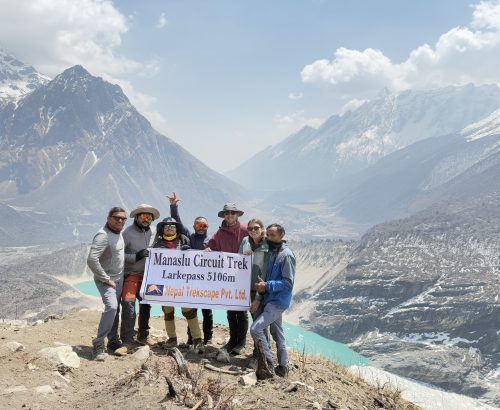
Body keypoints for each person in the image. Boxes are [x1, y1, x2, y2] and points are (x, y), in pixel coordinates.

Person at [250, 223, 295, 378]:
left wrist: (267, 285)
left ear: (281, 236)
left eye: (273, 235)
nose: (269, 238)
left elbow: (288, 283)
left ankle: (268, 364)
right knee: (278, 334)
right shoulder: (272, 252)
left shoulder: (286, 255)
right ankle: (283, 366)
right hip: (271, 299)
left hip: (277, 302)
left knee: (256, 329)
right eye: (267, 235)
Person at [152, 216, 204, 352]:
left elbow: (194, 261)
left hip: (182, 282)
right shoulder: (157, 244)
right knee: (168, 311)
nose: (170, 228)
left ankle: (197, 339)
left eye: (173, 226)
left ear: (177, 228)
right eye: (167, 226)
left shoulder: (184, 240)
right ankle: (172, 338)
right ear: (162, 228)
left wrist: (189, 253)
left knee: (189, 311)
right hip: (165, 282)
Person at [168, 192, 213, 345]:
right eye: (199, 225)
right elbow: (178, 224)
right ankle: (191, 339)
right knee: (191, 311)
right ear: (194, 226)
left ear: (208, 227)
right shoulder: (189, 236)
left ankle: (208, 339)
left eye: (204, 225)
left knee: (207, 312)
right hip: (191, 281)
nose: (201, 227)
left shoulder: (212, 240)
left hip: (206, 282)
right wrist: (173, 206)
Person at [207, 202, 248, 354]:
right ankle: (232, 340)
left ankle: (242, 342)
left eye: (232, 212)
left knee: (242, 310)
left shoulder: (245, 230)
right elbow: (212, 247)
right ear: (224, 216)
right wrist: (209, 250)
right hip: (227, 277)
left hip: (243, 277)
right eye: (227, 213)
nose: (230, 215)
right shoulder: (219, 233)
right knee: (231, 310)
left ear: (237, 215)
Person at [87, 207, 127, 361]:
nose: (120, 220)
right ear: (108, 217)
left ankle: (113, 340)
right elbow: (91, 260)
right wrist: (105, 278)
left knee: (115, 310)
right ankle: (98, 344)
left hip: (119, 279)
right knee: (112, 307)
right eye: (116, 217)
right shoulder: (103, 236)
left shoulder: (118, 233)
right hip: (108, 281)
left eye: (123, 218)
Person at [121, 204, 160, 347]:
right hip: (131, 275)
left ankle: (143, 336)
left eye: (149, 217)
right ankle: (127, 339)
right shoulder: (127, 233)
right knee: (128, 304)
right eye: (143, 216)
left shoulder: (155, 233)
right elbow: (120, 255)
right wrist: (136, 256)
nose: (146, 219)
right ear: (137, 217)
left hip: (149, 277)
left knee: (146, 306)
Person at [239, 218, 270, 368]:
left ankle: (260, 357)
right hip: (247, 288)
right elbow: (238, 261)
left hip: (260, 291)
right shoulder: (245, 241)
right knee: (255, 320)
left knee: (259, 325)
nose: (253, 231)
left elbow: (265, 272)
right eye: (250, 228)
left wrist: (258, 298)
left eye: (256, 228)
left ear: (263, 229)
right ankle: (261, 354)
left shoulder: (267, 247)